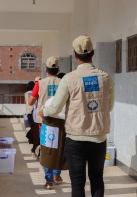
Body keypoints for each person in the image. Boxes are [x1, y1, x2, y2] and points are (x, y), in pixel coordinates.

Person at [38, 35, 114, 197]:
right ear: (93, 53)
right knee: (97, 180)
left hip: (76, 140)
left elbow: (55, 107)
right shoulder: (106, 78)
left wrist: (43, 111)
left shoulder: (69, 79)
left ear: (75, 55)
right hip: (99, 138)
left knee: (78, 183)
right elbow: (110, 106)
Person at [28, 57, 63, 190]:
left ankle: (49, 181)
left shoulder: (40, 84)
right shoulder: (63, 82)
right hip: (60, 121)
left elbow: (30, 102)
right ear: (58, 70)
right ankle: (56, 175)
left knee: (46, 150)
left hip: (44, 122)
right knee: (58, 148)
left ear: (46, 70)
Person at [24, 81, 40, 158]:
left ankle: (32, 140)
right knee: (36, 130)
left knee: (34, 129)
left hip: (29, 114)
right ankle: (32, 140)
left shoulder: (26, 93)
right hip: (35, 114)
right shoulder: (36, 93)